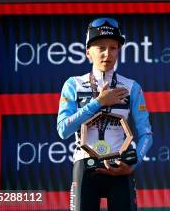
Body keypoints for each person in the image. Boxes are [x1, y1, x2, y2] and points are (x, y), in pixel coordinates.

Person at [57, 18, 153, 211]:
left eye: (113, 48)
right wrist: (98, 102)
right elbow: (63, 130)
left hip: (120, 168)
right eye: (100, 47)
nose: (107, 54)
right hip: (85, 166)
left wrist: (133, 164)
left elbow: (146, 134)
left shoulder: (131, 87)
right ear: (87, 52)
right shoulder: (73, 84)